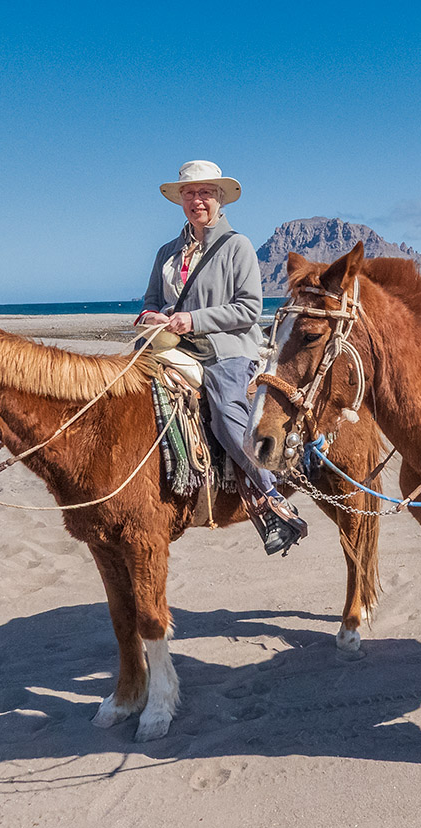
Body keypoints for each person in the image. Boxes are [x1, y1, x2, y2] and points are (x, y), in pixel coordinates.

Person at [138, 161, 305, 555]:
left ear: (219, 198)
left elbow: (249, 308)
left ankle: (271, 501)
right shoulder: (166, 252)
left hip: (227, 350)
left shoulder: (237, 246)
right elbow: (149, 300)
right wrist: (151, 316)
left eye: (206, 193)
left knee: (227, 410)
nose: (198, 200)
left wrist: (191, 319)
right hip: (172, 346)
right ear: (180, 199)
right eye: (190, 193)